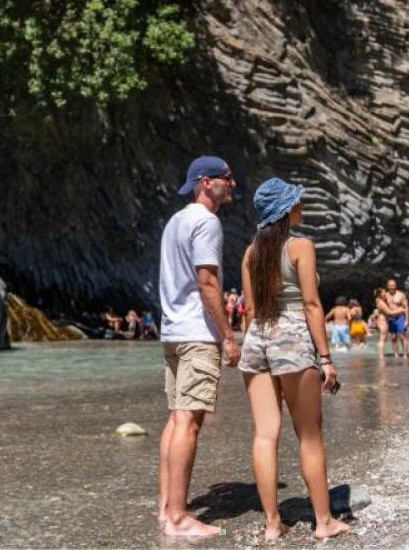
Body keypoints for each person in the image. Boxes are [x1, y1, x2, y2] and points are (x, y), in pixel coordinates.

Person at [239, 177, 349, 541]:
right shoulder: (301, 246)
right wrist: (326, 357)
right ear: (286, 210)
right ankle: (323, 522)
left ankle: (272, 524)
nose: (301, 204)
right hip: (292, 340)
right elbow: (312, 304)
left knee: (265, 436)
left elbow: (250, 309)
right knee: (309, 436)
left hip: (257, 340)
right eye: (296, 201)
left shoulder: (250, 252)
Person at [157, 155, 241, 537]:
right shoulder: (207, 222)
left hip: (172, 332)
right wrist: (227, 336)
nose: (233, 184)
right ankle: (178, 517)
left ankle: (167, 508)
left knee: (176, 418)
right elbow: (207, 283)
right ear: (206, 182)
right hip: (196, 334)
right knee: (189, 423)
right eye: (227, 178)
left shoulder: (175, 221)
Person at [385, 278, 409, 359]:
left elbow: (406, 308)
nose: (392, 287)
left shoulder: (401, 295)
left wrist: (407, 320)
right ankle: (396, 354)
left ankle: (405, 354)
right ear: (388, 286)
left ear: (396, 286)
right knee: (393, 337)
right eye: (390, 285)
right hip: (391, 319)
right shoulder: (386, 295)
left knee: (402, 336)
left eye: (393, 285)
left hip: (400, 317)